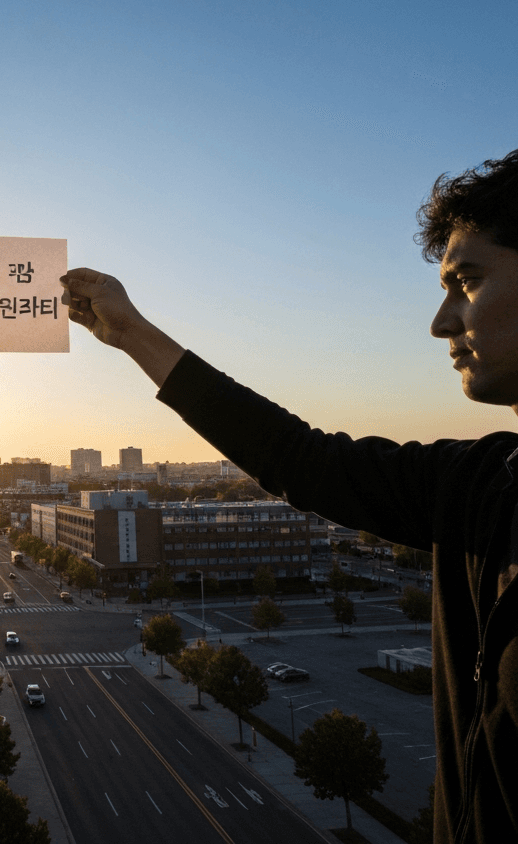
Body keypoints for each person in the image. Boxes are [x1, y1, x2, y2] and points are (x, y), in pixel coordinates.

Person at [60, 149, 518, 844]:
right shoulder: (483, 484)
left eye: (468, 281)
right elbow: (299, 459)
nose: (442, 322)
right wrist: (129, 334)